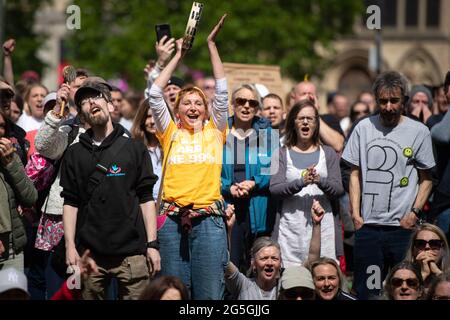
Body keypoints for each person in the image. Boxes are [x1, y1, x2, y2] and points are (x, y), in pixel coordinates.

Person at [148, 15, 228, 300]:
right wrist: (179, 55)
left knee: (208, 296)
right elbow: (154, 93)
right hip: (170, 223)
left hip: (209, 222)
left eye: (198, 103)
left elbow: (222, 91)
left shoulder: (215, 131)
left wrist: (211, 46)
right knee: (173, 294)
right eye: (186, 103)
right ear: (177, 109)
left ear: (206, 111)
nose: (193, 107)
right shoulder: (169, 132)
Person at [60, 76, 160, 300]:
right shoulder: (74, 153)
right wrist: (70, 247)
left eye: (96, 97)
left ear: (111, 104)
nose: (91, 103)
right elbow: (70, 202)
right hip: (88, 255)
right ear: (82, 113)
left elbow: (146, 198)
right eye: (84, 102)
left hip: (132, 253)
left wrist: (152, 244)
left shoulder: (134, 148)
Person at [342, 71, 435, 299]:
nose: (389, 106)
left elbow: (427, 179)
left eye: (394, 101)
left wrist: (413, 213)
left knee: (405, 290)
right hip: (369, 229)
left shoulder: (419, 132)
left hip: (402, 231)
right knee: (371, 291)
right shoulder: (363, 128)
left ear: (404, 101)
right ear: (376, 101)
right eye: (383, 101)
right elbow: (354, 173)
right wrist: (356, 214)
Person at [270, 99, 344, 267]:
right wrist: (300, 182)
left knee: (323, 278)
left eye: (310, 119)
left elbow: (339, 189)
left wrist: (320, 181)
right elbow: (274, 189)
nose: (305, 122)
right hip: (289, 230)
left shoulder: (329, 153)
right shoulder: (279, 153)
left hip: (323, 228)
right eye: (300, 118)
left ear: (316, 123)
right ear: (293, 122)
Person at [225, 199, 325, 300]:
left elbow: (312, 261)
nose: (269, 263)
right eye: (264, 258)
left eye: (274, 258)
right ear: (253, 263)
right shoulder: (242, 284)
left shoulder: (287, 285)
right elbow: (224, 261)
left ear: (280, 263)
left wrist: (316, 224)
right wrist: (228, 229)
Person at [222, 83, 274, 271]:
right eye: (241, 101)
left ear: (257, 108)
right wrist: (228, 187)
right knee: (232, 266)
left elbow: (274, 170)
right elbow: (210, 173)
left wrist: (255, 182)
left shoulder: (268, 134)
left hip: (259, 209)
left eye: (252, 103)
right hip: (229, 210)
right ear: (232, 104)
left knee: (259, 268)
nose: (246, 106)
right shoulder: (218, 133)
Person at [0, 109, 38, 271]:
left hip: (12, 248)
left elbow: (30, 197)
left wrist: (10, 164)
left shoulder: (10, 156)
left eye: (2, 126)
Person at [291, 81, 344, 152]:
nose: (308, 97)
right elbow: (275, 156)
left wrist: (315, 115)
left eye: (311, 94)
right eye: (303, 94)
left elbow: (338, 146)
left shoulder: (329, 119)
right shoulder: (285, 122)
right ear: (293, 97)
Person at [131, 98, 162, 200]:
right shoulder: (133, 148)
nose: (153, 121)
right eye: (148, 116)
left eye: (156, 116)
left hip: (168, 209)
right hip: (143, 206)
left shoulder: (173, 146)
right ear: (142, 119)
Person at [404, 223, 450, 289]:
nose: (427, 247)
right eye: (420, 243)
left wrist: (438, 273)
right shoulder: (401, 274)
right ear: (413, 250)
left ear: (443, 249)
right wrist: (423, 274)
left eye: (434, 243)